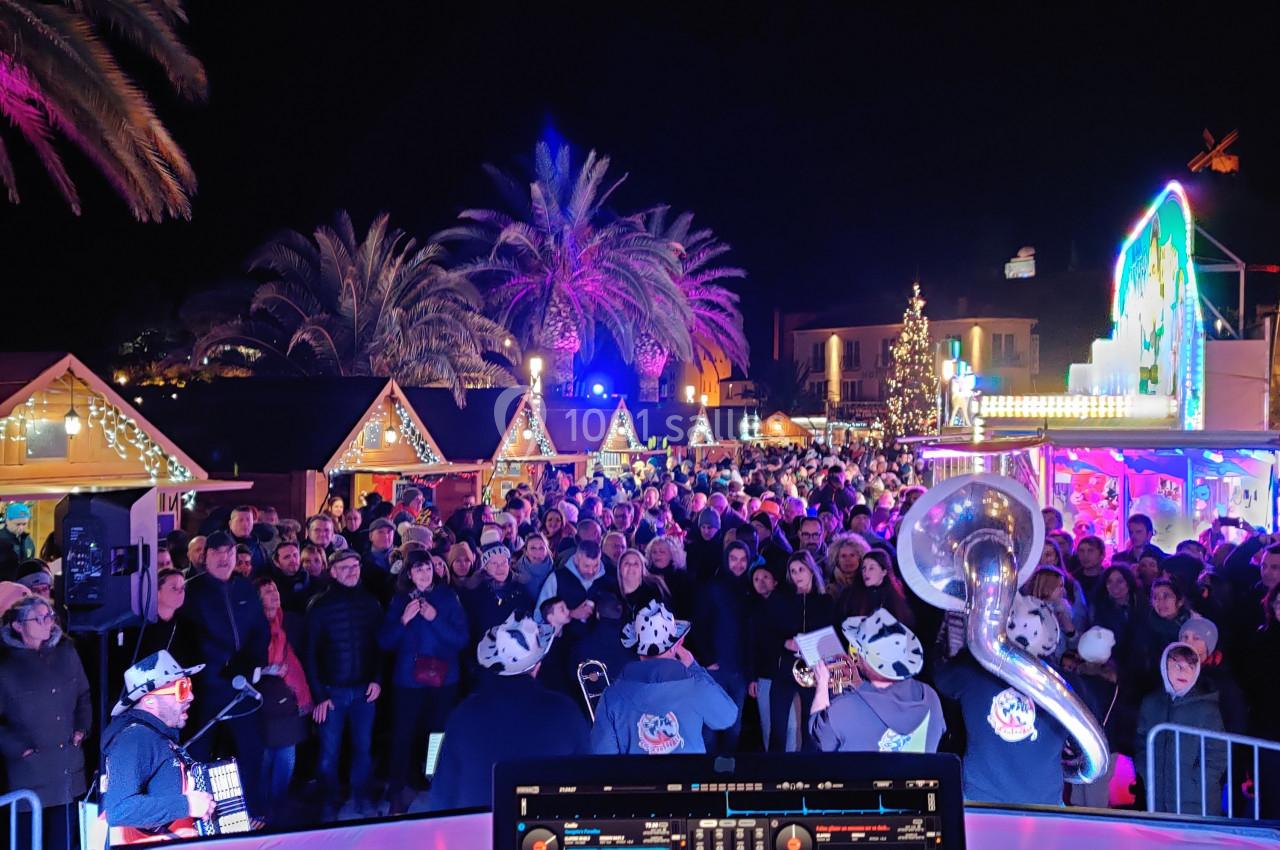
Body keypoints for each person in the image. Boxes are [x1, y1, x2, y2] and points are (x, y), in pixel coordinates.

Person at [430, 614, 589, 810]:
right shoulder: (566, 712)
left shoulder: (462, 715)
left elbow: (442, 795)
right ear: (537, 666)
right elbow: (588, 782)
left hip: (480, 831)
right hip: (545, 833)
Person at [934, 595, 1069, 805]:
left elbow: (941, 678)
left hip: (982, 800)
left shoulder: (972, 671)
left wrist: (972, 646)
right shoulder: (1064, 685)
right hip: (1044, 803)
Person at [177, 530, 269, 814]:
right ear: (206, 557)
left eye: (229, 553)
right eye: (218, 553)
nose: (224, 559)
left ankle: (252, 812)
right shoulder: (193, 591)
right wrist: (217, 664)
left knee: (251, 750)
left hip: (241, 688)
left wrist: (250, 661)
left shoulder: (245, 588)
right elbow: (188, 638)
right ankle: (201, 815)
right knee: (199, 754)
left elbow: (260, 630)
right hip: (207, 689)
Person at [378, 550, 469, 814]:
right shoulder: (398, 600)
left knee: (436, 733)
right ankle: (398, 786)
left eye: (427, 568)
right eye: (417, 570)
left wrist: (434, 619)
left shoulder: (448, 597)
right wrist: (403, 620)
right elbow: (384, 642)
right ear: (409, 573)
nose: (424, 574)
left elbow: (460, 639)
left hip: (443, 679)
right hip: (408, 681)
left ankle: (432, 777)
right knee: (402, 734)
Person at [0, 596, 91, 850]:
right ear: (18, 626)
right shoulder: (6, 665)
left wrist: (81, 728)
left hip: (66, 771)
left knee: (63, 841)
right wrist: (19, 748)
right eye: (38, 618)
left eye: (49, 616)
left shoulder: (66, 652)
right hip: (29, 774)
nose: (47, 623)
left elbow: (83, 694)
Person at [590, 600, 738, 754]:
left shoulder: (611, 696)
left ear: (637, 647)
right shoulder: (695, 686)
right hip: (687, 776)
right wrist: (695, 668)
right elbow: (727, 717)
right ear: (678, 644)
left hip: (637, 778)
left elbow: (602, 755)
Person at [101, 650, 215, 844]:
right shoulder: (134, 739)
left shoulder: (156, 735)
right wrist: (187, 805)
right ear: (150, 701)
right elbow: (119, 810)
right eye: (181, 690)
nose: (190, 697)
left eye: (188, 686)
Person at [304, 549, 384, 818]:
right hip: (332, 692)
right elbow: (310, 654)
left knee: (363, 748)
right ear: (334, 571)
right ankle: (330, 800)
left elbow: (379, 647)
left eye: (356, 566)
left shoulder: (371, 604)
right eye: (346, 567)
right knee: (329, 753)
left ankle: (360, 797)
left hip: (364, 690)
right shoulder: (319, 605)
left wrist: (377, 679)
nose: (352, 571)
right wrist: (318, 696)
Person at [809, 609, 944, 753]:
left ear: (867, 661)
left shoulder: (844, 708)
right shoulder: (931, 697)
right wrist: (860, 686)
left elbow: (818, 735)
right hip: (919, 774)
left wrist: (822, 684)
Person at [1135, 642, 1226, 816]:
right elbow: (1141, 743)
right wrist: (1147, 773)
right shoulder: (1151, 703)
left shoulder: (1207, 708)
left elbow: (1217, 753)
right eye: (1177, 665)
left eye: (1191, 666)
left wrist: (1198, 782)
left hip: (1197, 803)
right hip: (1158, 797)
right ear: (1164, 666)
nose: (1183, 671)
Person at [253, 576, 311, 823]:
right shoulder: (252, 626)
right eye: (267, 591)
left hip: (289, 699)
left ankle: (279, 807)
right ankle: (262, 809)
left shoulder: (291, 623)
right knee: (264, 758)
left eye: (275, 589)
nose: (274, 594)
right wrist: (267, 670)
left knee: (286, 757)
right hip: (262, 700)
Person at [765, 551, 836, 753]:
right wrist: (784, 643)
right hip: (786, 668)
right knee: (777, 725)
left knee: (810, 727)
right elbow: (767, 632)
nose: (797, 575)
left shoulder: (825, 601)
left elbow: (831, 637)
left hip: (814, 670)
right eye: (793, 571)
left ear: (811, 571)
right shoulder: (780, 600)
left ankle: (808, 772)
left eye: (801, 570)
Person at [692, 541, 753, 754]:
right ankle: (708, 775)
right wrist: (708, 659)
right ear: (726, 560)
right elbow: (699, 625)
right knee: (709, 728)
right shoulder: (713, 588)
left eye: (743, 559)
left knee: (733, 728)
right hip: (715, 669)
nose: (738, 564)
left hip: (739, 670)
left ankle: (726, 771)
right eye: (733, 559)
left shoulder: (750, 589)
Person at [0, 502, 35, 579]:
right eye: (18, 524)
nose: (21, 528)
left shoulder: (28, 540)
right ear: (7, 521)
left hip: (24, 584)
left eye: (24, 524)